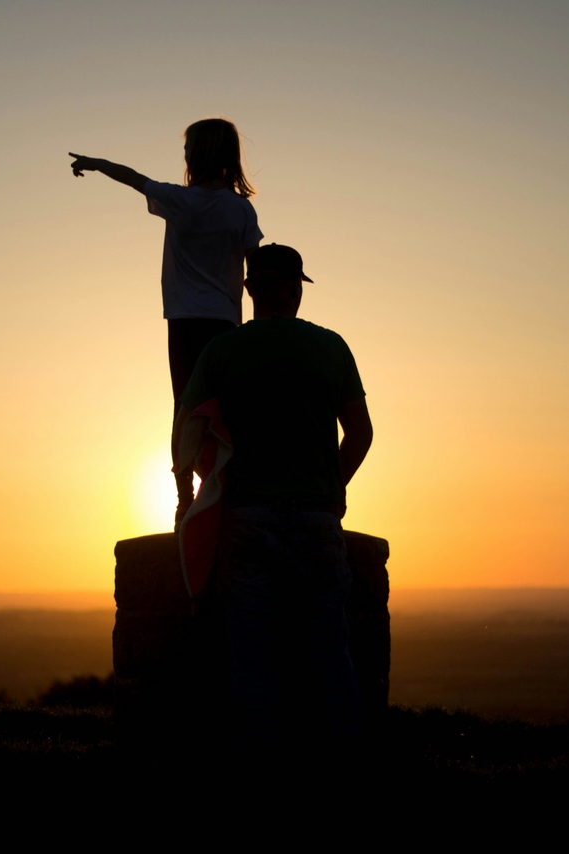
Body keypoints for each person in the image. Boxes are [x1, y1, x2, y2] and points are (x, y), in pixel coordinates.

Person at [173, 243, 374, 745]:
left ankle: (258, 779)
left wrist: (193, 494)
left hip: (246, 521)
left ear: (249, 291)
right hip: (317, 521)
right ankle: (345, 772)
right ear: (293, 290)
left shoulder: (220, 352)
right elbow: (361, 433)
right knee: (330, 655)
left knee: (251, 660)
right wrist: (332, 487)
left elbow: (186, 436)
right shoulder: (332, 347)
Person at [68, 118, 262, 507]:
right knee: (228, 406)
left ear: (203, 153)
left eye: (188, 147)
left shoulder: (181, 200)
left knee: (185, 405)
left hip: (186, 321)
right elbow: (255, 272)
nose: (185, 154)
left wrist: (93, 162)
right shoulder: (240, 210)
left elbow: (132, 177)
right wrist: (257, 329)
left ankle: (185, 497)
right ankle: (227, 488)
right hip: (225, 323)